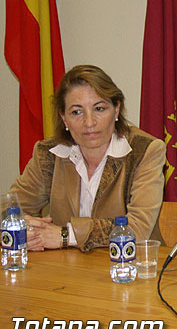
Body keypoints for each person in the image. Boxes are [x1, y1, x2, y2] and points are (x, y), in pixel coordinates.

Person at [9, 65, 166, 252]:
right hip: (65, 270)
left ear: (116, 110)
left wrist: (65, 235)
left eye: (99, 109)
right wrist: (24, 227)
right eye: (76, 112)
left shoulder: (144, 151)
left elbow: (137, 229)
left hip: (130, 266)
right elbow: (9, 208)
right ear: (64, 118)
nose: (89, 122)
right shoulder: (48, 154)